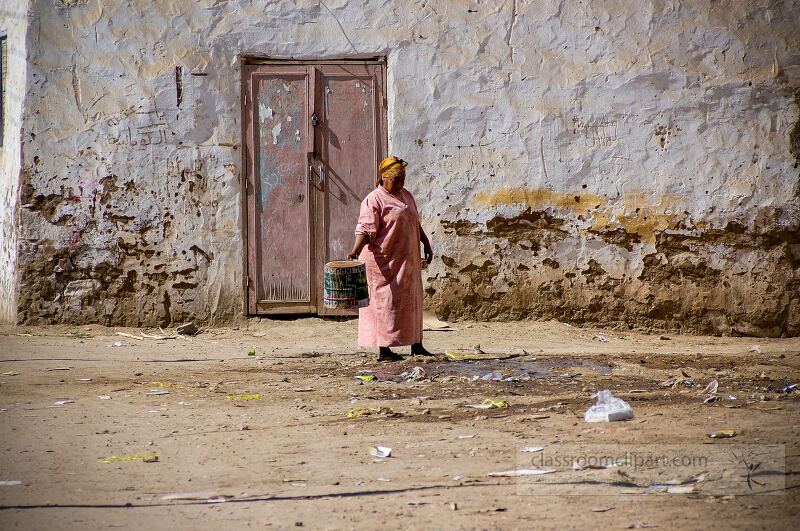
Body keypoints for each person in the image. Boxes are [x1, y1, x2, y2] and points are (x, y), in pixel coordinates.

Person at [347, 156, 434, 362]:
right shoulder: (374, 200)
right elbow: (366, 229)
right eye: (395, 180)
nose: (400, 184)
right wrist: (355, 251)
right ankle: (384, 350)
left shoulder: (406, 196)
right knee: (385, 304)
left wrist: (426, 242)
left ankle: (416, 344)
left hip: (408, 260)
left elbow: (415, 221)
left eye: (402, 179)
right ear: (383, 178)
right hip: (384, 263)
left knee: (412, 301)